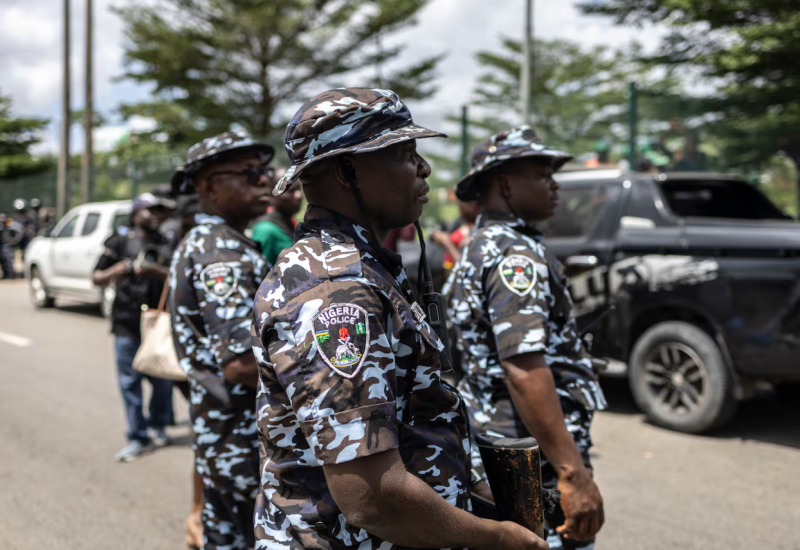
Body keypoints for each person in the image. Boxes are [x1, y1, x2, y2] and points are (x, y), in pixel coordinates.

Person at [251, 88, 547, 550]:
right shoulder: (334, 291)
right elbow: (371, 497)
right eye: (406, 154)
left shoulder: (364, 266)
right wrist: (498, 538)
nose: (424, 168)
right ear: (348, 170)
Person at [444, 126, 607, 550]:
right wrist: (572, 473)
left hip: (500, 445)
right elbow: (523, 367)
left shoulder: (480, 245)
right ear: (504, 184)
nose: (554, 184)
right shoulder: (515, 256)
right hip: (532, 457)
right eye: (542, 174)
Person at [169, 132, 273, 550]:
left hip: (228, 439)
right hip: (242, 442)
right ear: (208, 187)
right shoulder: (221, 254)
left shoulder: (220, 243)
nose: (263, 179)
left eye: (263, 169)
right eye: (248, 172)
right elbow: (241, 365)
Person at [92, 193, 176, 462]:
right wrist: (118, 270)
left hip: (158, 323)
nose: (155, 215)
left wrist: (156, 271)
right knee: (130, 383)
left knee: (162, 379)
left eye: (158, 210)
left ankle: (158, 424)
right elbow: (96, 277)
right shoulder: (119, 241)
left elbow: (179, 275)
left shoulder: (167, 241)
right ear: (135, 213)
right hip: (126, 323)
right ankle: (138, 436)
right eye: (149, 210)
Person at [251, 167, 302, 264]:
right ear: (273, 193)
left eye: (299, 189)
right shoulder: (266, 230)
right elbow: (261, 269)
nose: (299, 195)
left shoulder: (291, 223)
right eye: (291, 191)